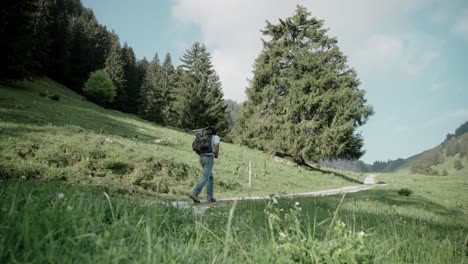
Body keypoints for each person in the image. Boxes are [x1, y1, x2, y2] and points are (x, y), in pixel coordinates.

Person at [189, 126, 220, 203]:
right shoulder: (216, 137)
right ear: (216, 132)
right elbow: (216, 147)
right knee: (206, 176)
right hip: (209, 158)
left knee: (210, 177)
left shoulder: (204, 137)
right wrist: (216, 155)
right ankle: (195, 192)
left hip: (201, 157)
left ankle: (210, 197)